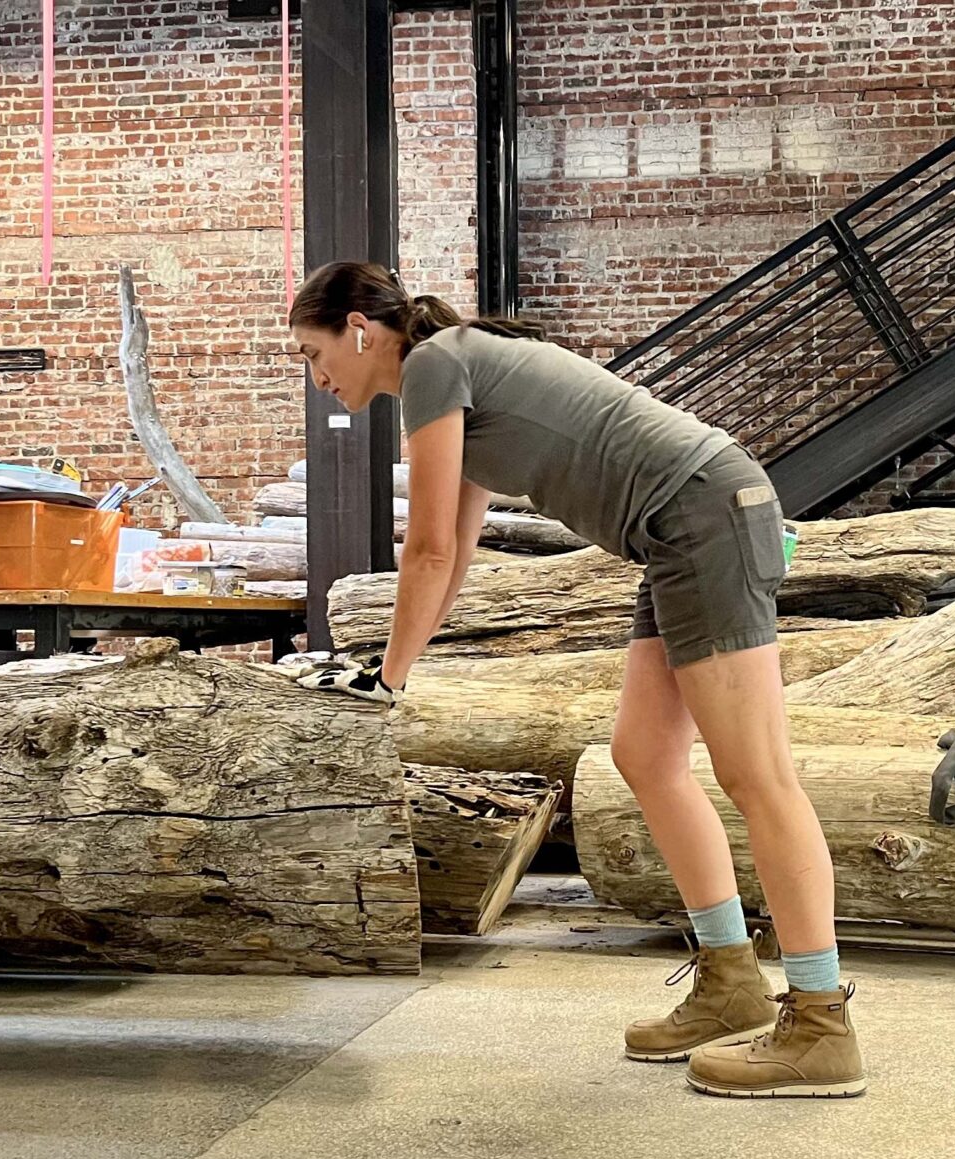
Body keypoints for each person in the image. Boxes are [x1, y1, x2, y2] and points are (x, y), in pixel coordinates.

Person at [288, 261, 864, 1099]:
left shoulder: (436, 364)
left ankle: (821, 1023)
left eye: (313, 352)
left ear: (359, 329)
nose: (318, 375)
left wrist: (390, 680)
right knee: (646, 757)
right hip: (676, 531)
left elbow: (427, 551)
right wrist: (391, 676)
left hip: (703, 512)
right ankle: (732, 978)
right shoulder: (454, 369)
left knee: (758, 775)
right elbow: (453, 549)